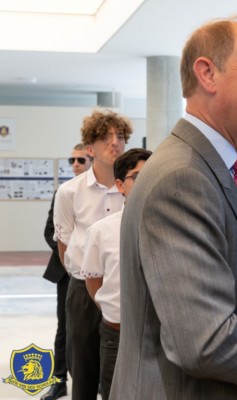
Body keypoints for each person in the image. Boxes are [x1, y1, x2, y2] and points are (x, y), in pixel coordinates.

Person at [110, 16, 237, 399]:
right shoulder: (183, 178)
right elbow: (204, 341)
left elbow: (233, 290)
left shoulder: (212, 168)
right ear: (207, 73)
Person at [53, 109, 132, 400]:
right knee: (83, 370)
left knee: (120, 370)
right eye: (105, 137)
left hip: (122, 291)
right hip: (83, 292)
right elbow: (64, 245)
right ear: (90, 148)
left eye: (120, 136)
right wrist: (86, 278)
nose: (115, 143)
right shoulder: (70, 192)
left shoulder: (133, 190)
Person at [80, 148, 151, 400]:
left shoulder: (171, 226)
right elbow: (93, 280)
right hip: (117, 335)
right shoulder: (101, 231)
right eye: (137, 177)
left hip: (159, 336)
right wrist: (111, 308)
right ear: (120, 185)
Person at [40, 143, 93, 400]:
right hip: (67, 272)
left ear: (91, 160)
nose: (75, 164)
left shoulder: (106, 193)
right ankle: (59, 381)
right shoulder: (64, 192)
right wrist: (73, 254)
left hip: (100, 273)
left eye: (80, 160)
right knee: (65, 328)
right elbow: (50, 231)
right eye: (72, 159)